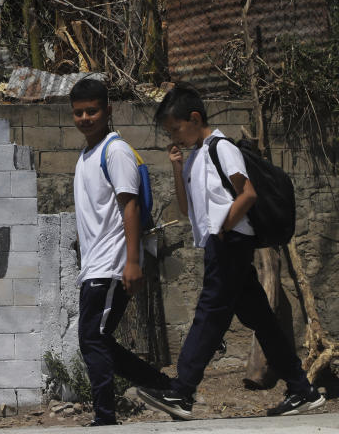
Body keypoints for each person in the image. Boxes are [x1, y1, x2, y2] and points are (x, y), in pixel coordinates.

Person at [137, 83, 324, 419]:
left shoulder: (222, 148)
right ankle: (301, 388)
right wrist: (179, 168)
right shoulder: (197, 157)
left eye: (176, 129)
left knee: (210, 313)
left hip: (231, 242)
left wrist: (223, 228)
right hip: (221, 242)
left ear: (195, 118)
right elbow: (185, 208)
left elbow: (248, 194)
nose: (174, 137)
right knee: (260, 318)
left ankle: (182, 392)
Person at [69, 78, 171, 426]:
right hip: (95, 265)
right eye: (79, 112)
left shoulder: (116, 151)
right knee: (96, 338)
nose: (85, 118)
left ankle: (105, 416)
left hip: (112, 264)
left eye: (92, 111)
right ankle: (163, 387)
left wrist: (131, 261)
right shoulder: (86, 155)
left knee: (92, 338)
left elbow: (130, 207)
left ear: (108, 110)